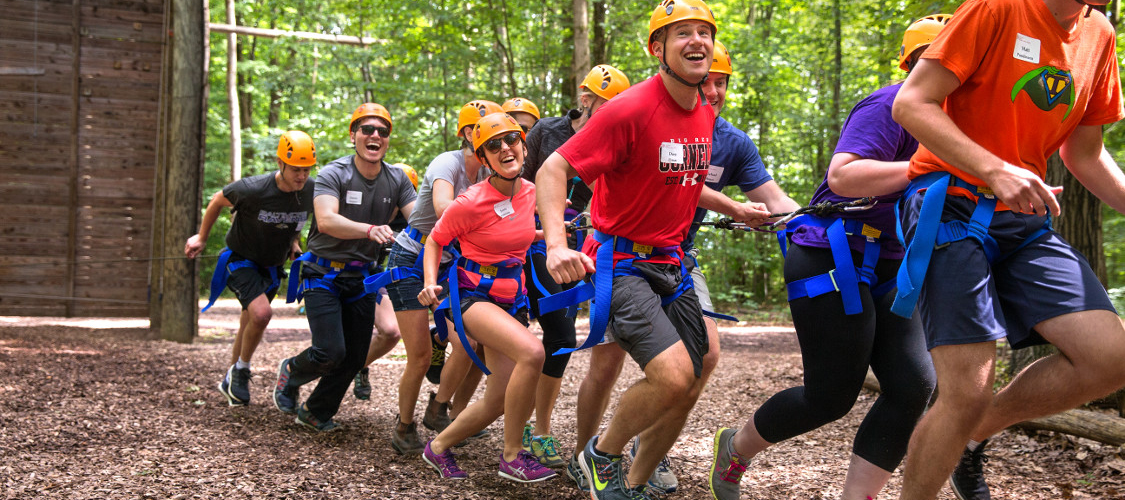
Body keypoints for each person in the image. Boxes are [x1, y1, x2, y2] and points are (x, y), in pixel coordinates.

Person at [890, 0, 1125, 498]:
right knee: (965, 392)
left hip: (1022, 218)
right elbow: (911, 103)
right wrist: (993, 168)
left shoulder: (1098, 34)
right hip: (948, 203)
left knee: (1110, 358)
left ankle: (973, 435)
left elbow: (1083, 153)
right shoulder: (996, 8)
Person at [708, 18, 947, 500]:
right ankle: (736, 447)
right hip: (831, 256)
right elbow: (845, 177)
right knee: (831, 397)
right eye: (933, 61)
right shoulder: (889, 106)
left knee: (913, 384)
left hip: (893, 262)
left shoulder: (963, 122)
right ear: (912, 64)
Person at [536, 2, 768, 499]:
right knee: (672, 374)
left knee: (697, 370)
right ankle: (600, 455)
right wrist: (556, 245)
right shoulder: (630, 109)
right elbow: (553, 169)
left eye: (704, 32)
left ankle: (635, 482)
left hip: (670, 261)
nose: (696, 41)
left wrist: (736, 207)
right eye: (681, 33)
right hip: (620, 261)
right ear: (656, 48)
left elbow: (681, 177)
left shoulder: (703, 112)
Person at [418, 112, 556, 483]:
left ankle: (438, 448)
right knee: (533, 352)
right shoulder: (470, 200)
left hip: (511, 300)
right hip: (472, 296)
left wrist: (551, 239)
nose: (505, 148)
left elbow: (518, 233)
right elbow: (435, 240)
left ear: (524, 145)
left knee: (497, 399)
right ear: (483, 158)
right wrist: (430, 282)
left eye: (511, 139)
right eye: (493, 145)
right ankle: (512, 456)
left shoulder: (531, 192)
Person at [272, 103, 417, 432]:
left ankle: (315, 411)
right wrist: (369, 230)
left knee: (354, 356)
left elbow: (419, 219)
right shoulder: (333, 174)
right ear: (354, 136)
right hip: (323, 274)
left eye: (383, 131)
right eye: (367, 129)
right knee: (330, 350)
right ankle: (291, 372)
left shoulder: (396, 179)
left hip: (363, 278)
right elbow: (325, 221)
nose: (375, 135)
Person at [519, 63, 631, 472]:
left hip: (578, 247)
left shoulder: (620, 140)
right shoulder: (546, 132)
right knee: (518, 337)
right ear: (587, 101)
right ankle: (451, 408)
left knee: (561, 334)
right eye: (608, 105)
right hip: (531, 242)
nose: (617, 113)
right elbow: (517, 179)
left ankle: (540, 428)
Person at [376, 99, 501, 454]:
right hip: (412, 257)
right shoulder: (447, 163)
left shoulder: (490, 172)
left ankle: (438, 406)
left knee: (470, 343)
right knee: (417, 357)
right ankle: (404, 425)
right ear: (467, 134)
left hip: (450, 263)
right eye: (485, 130)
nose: (496, 140)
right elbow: (446, 211)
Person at [186, 130, 316, 407]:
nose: (301, 176)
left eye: (306, 170)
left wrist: (294, 243)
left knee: (249, 321)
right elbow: (217, 200)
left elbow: (293, 222)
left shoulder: (310, 191)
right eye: (296, 169)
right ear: (281, 164)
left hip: (271, 266)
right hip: (239, 260)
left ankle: (232, 378)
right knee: (261, 313)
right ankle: (243, 369)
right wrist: (201, 237)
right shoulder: (253, 188)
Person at [353, 163, 419, 401]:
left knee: (391, 331)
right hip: (354, 274)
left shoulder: (414, 221)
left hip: (386, 281)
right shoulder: (367, 210)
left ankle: (357, 366)